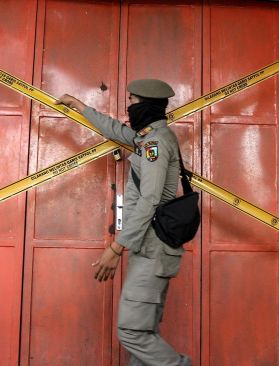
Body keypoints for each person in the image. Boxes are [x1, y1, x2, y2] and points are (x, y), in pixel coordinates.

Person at [56, 79, 192, 366]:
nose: (128, 107)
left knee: (132, 332)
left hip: (153, 249)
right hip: (150, 248)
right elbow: (117, 130)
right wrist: (80, 106)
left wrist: (116, 248)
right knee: (143, 332)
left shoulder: (154, 143)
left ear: (146, 104)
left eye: (132, 101)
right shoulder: (147, 137)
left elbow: (150, 200)